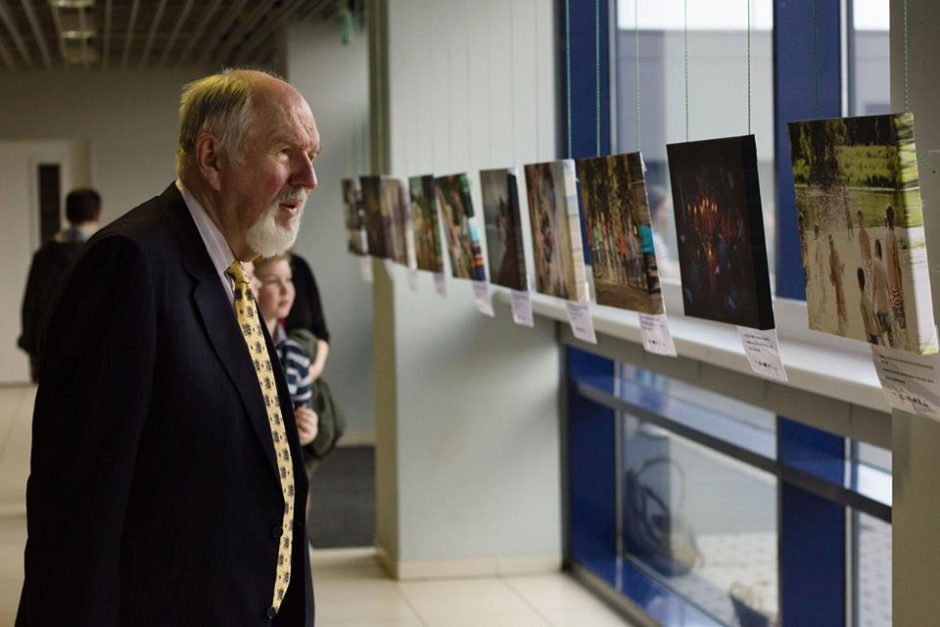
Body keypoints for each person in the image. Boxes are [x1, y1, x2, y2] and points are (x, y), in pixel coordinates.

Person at [17, 69, 319, 626]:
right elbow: (79, 510)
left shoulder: (233, 271)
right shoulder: (128, 265)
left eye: (312, 155)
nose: (309, 177)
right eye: (286, 152)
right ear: (211, 158)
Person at [18, 188, 101, 382]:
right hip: (95, 351)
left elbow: (31, 305)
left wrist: (34, 356)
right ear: (97, 213)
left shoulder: (45, 256)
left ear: (66, 214)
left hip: (53, 349)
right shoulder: (105, 251)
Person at [254, 253, 320, 468]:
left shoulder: (297, 355)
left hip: (282, 466)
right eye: (273, 280)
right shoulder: (236, 348)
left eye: (289, 279)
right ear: (253, 285)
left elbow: (304, 410)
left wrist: (308, 429)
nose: (286, 289)